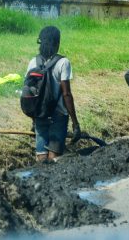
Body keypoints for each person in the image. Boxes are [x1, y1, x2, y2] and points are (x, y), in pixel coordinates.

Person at [26, 26, 81, 162]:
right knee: (54, 158)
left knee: (41, 158)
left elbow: (30, 94)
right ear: (57, 43)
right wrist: (75, 123)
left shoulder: (33, 62)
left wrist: (34, 119)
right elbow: (66, 94)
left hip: (40, 116)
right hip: (59, 116)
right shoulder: (63, 62)